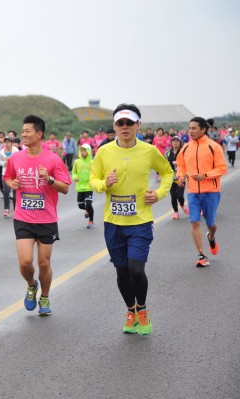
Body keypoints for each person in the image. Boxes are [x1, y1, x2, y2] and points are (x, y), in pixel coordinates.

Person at [90, 104, 173, 335]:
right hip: (113, 223)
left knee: (136, 269)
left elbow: (168, 173)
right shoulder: (104, 152)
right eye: (120, 123)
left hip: (140, 221)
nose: (124, 127)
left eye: (129, 123)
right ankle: (130, 311)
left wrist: (158, 194)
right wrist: (104, 183)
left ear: (139, 125)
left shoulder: (149, 150)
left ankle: (143, 309)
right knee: (122, 271)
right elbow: (92, 180)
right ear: (114, 126)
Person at [3, 115, 71, 316]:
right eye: (22, 131)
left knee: (43, 263)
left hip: (47, 219)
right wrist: (11, 184)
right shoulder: (15, 158)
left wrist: (48, 179)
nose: (23, 134)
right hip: (23, 217)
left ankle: (45, 296)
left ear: (39, 134)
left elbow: (65, 188)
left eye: (27, 131)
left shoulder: (53, 159)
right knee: (25, 262)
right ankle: (32, 285)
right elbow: (7, 177)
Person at [176, 117, 228, 267]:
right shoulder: (186, 147)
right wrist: (180, 176)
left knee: (211, 224)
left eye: (193, 128)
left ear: (203, 129)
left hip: (211, 191)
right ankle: (201, 255)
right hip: (193, 192)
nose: (190, 131)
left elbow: (222, 168)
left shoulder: (214, 147)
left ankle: (211, 237)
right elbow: (181, 165)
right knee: (194, 222)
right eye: (189, 128)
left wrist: (205, 176)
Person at [72, 143, 95, 228]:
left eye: (84, 150)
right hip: (80, 187)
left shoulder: (92, 162)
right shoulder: (77, 162)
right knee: (81, 205)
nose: (82, 152)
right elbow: (73, 172)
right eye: (81, 150)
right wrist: (75, 177)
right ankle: (87, 210)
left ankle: (91, 221)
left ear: (88, 151)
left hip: (89, 187)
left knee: (88, 204)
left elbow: (96, 173)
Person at [165, 136, 187, 220]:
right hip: (171, 178)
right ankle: (176, 212)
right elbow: (165, 165)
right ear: (171, 143)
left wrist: (178, 164)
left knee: (180, 195)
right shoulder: (167, 153)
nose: (175, 143)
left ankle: (182, 204)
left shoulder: (183, 152)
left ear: (180, 142)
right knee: (173, 196)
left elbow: (186, 163)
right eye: (173, 141)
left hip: (181, 177)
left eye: (177, 141)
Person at [0, 137, 19, 217]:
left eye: (8, 142)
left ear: (11, 142)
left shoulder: (16, 150)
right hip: (5, 173)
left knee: (15, 192)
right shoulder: (2, 151)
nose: (7, 143)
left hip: (15, 173)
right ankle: (6, 209)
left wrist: (11, 161)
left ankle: (16, 209)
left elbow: (19, 159)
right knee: (6, 192)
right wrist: (4, 163)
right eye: (5, 142)